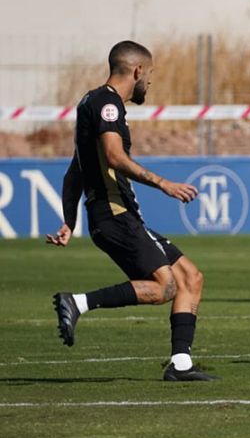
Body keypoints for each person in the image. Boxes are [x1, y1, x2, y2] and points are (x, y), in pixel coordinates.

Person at [48, 40, 215, 382]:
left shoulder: (90, 102)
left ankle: (180, 364)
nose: (149, 83)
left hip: (115, 215)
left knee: (190, 278)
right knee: (164, 287)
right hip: (114, 215)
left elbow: (74, 172)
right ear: (137, 70)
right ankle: (77, 302)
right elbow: (114, 157)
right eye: (150, 75)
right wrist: (163, 183)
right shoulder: (108, 105)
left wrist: (69, 220)